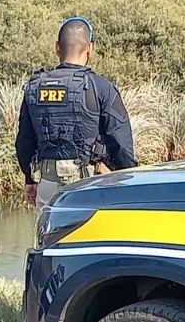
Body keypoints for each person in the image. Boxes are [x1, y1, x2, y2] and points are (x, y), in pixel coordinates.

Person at [16, 16, 137, 209]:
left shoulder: (35, 86)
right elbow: (121, 143)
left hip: (47, 182)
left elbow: (24, 141)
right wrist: (131, 179)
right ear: (89, 49)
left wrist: (29, 179)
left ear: (57, 47)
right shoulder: (101, 87)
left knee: (50, 238)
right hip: (89, 183)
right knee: (89, 238)